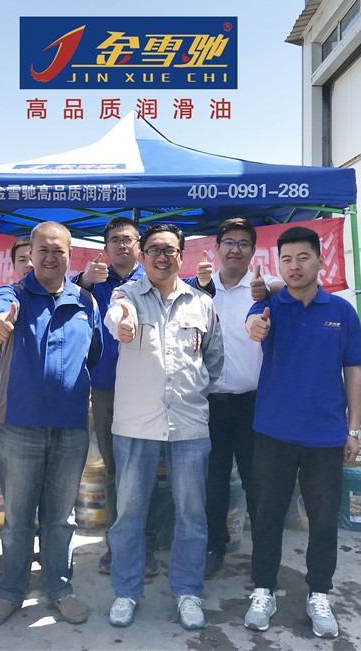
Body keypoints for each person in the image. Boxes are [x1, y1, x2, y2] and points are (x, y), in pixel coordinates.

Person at [243, 226, 361, 639]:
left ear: (320, 261)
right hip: (273, 433)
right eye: (286, 259)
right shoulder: (269, 307)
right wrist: (255, 326)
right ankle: (264, 589)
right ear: (278, 264)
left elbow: (354, 371)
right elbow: (253, 322)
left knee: (324, 520)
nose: (294, 266)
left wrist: (354, 429)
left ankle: (319, 593)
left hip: (325, 437)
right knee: (267, 515)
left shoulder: (342, 312)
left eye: (302, 257)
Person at [73, 217, 215, 577]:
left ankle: (150, 544)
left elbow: (210, 355)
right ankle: (119, 549)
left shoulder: (162, 280)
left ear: (139, 247)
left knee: (167, 481)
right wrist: (87, 283)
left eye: (128, 240)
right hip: (108, 389)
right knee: (119, 473)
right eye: (115, 240)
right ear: (106, 247)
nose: (122, 246)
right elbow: (109, 312)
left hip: (170, 400)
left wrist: (193, 388)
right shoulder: (98, 282)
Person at [104, 223, 223, 631]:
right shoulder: (126, 296)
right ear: (142, 255)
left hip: (189, 424)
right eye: (153, 249)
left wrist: (193, 393)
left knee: (191, 513)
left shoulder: (202, 303)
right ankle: (126, 591)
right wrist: (121, 325)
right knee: (129, 513)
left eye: (169, 250)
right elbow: (116, 316)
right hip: (135, 424)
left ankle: (188, 591)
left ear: (181, 256)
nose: (161, 256)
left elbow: (214, 360)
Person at [0, 221, 102, 627]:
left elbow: (94, 353)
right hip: (20, 426)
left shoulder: (85, 301)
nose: (51, 257)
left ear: (70, 255)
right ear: (31, 255)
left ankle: (59, 589)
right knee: (18, 518)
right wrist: (0, 323)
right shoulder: (13, 294)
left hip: (70, 426)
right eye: (43, 250)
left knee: (60, 518)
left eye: (59, 251)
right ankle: (11, 592)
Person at [204, 218, 283, 578]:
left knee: (258, 484)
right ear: (217, 248)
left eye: (243, 244)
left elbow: (288, 286)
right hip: (208, 404)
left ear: (253, 251)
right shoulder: (201, 290)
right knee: (212, 483)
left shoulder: (264, 288)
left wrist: (270, 289)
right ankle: (214, 547)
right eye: (229, 242)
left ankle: (264, 558)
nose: (235, 249)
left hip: (254, 405)